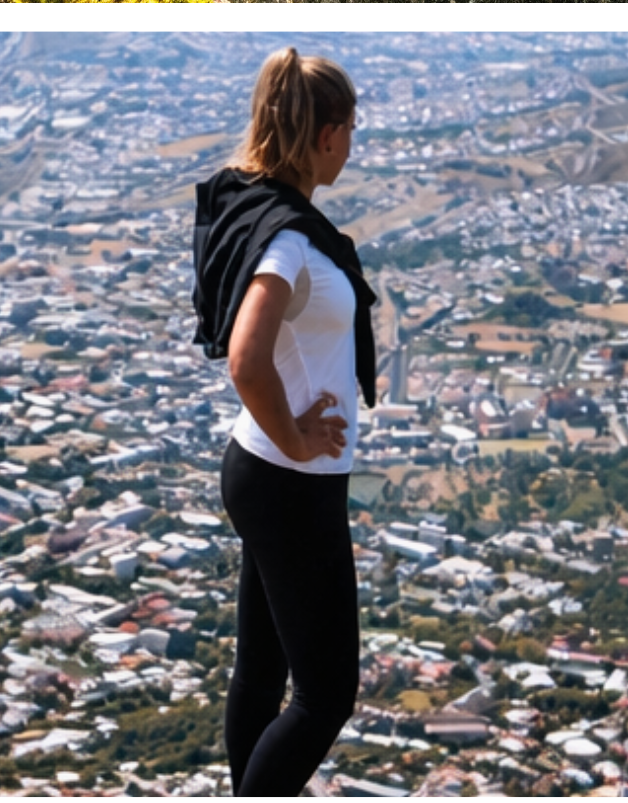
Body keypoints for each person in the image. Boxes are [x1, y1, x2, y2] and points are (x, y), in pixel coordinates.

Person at [192, 47, 377, 797]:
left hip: (266, 472)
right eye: (351, 128)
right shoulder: (289, 240)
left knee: (263, 672)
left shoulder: (265, 208)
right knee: (326, 695)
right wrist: (298, 437)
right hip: (290, 483)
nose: (352, 142)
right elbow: (246, 359)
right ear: (328, 134)